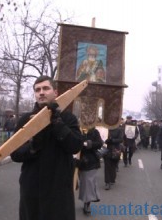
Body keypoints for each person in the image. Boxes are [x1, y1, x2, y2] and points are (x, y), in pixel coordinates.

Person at [10, 76, 83, 220]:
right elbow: (14, 154)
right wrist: (33, 146)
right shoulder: (25, 120)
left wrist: (57, 123)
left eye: (45, 88)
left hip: (59, 189)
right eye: (37, 90)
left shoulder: (68, 119)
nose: (41, 92)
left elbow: (75, 146)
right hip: (32, 189)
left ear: (55, 92)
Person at [76, 127, 102, 215]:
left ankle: (87, 203)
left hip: (90, 161)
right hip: (75, 160)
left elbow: (99, 143)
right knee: (81, 183)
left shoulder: (94, 131)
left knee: (88, 183)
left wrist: (88, 144)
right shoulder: (76, 129)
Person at [104, 125, 124, 190]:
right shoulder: (106, 129)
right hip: (107, 150)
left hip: (115, 150)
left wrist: (112, 140)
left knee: (113, 166)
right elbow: (103, 138)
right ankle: (107, 182)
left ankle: (112, 179)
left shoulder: (119, 129)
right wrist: (106, 140)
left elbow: (121, 139)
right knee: (107, 166)